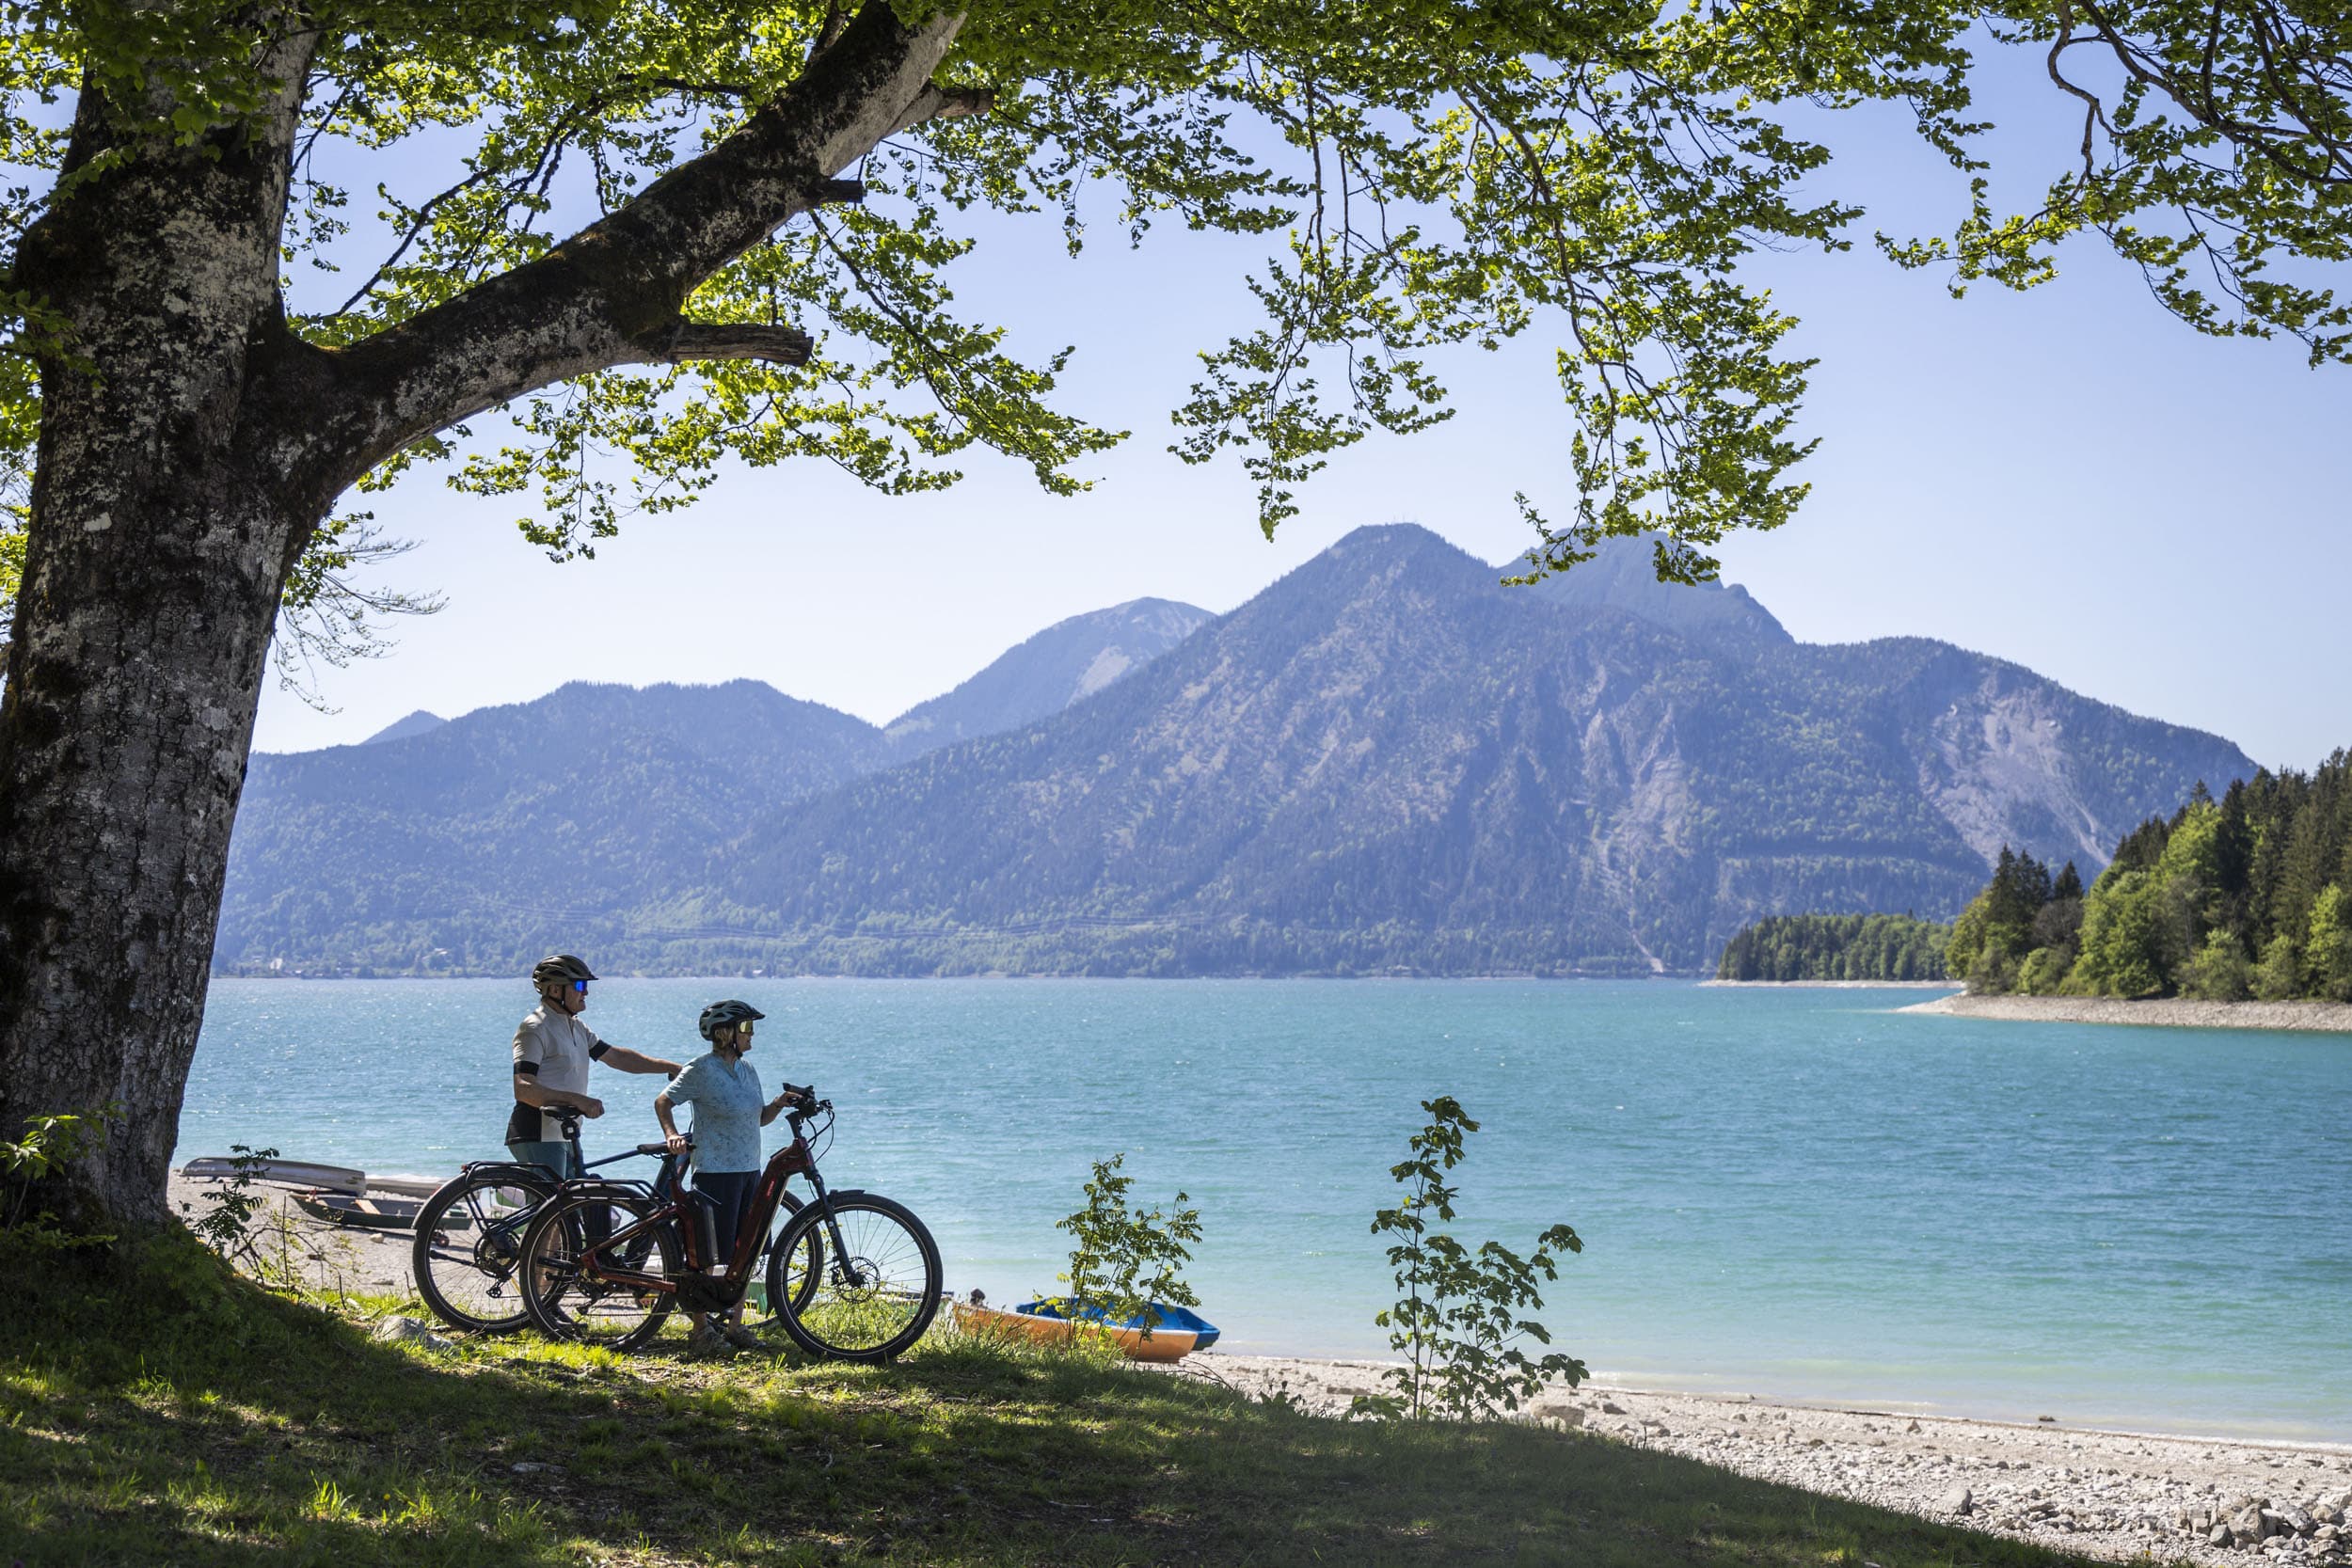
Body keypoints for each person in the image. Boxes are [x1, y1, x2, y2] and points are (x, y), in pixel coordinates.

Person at [655, 999, 811, 1354]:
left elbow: (758, 1118)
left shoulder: (748, 1070)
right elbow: (663, 1101)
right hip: (714, 1171)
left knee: (746, 1254)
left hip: (748, 1171)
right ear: (725, 1034)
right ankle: (700, 1331)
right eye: (746, 1028)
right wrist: (672, 1134)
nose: (752, 1035)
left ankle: (735, 1327)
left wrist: (778, 1103)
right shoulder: (700, 1069)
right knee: (706, 1257)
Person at [506, 954, 682, 1178]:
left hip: (564, 1132)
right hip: (538, 1133)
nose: (586, 992)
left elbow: (618, 1057)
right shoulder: (534, 1028)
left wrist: (670, 1067)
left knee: (574, 1207)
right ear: (554, 990)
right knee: (552, 1209)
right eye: (579, 985)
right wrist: (578, 1100)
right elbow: (523, 1089)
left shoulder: (576, 1026)